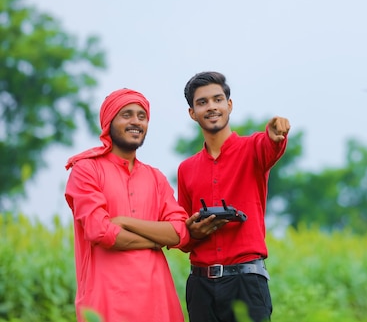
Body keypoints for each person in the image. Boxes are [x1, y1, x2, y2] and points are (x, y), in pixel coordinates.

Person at [64, 88, 190, 322]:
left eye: (142, 117)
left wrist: (124, 222)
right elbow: (100, 231)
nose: (136, 122)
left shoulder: (156, 178)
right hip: (106, 304)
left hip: (158, 304)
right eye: (127, 115)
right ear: (109, 122)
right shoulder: (86, 169)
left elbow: (180, 232)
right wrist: (155, 240)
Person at [178, 71, 290, 322]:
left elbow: (270, 146)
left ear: (229, 105)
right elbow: (183, 236)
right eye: (202, 102)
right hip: (200, 287)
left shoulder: (253, 149)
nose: (211, 107)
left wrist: (276, 134)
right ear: (192, 113)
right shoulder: (186, 169)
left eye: (218, 99)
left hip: (247, 283)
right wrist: (194, 231)